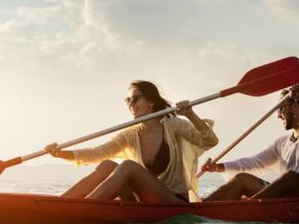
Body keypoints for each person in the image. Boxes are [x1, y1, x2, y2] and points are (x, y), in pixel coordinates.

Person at [45, 80, 218, 203]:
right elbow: (97, 152)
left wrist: (190, 114)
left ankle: (79, 210)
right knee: (107, 165)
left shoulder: (174, 126)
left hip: (173, 200)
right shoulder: (130, 134)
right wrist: (61, 154)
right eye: (128, 100)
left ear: (150, 101)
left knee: (128, 166)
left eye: (136, 98)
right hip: (146, 200)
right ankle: (59, 205)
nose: (131, 104)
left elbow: (209, 141)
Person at [201, 83, 299, 200]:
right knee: (241, 178)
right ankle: (200, 208)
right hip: (289, 198)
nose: (278, 115)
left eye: (281, 109)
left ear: (295, 106)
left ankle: (250, 209)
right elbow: (254, 163)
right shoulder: (281, 143)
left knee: (291, 177)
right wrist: (218, 167)